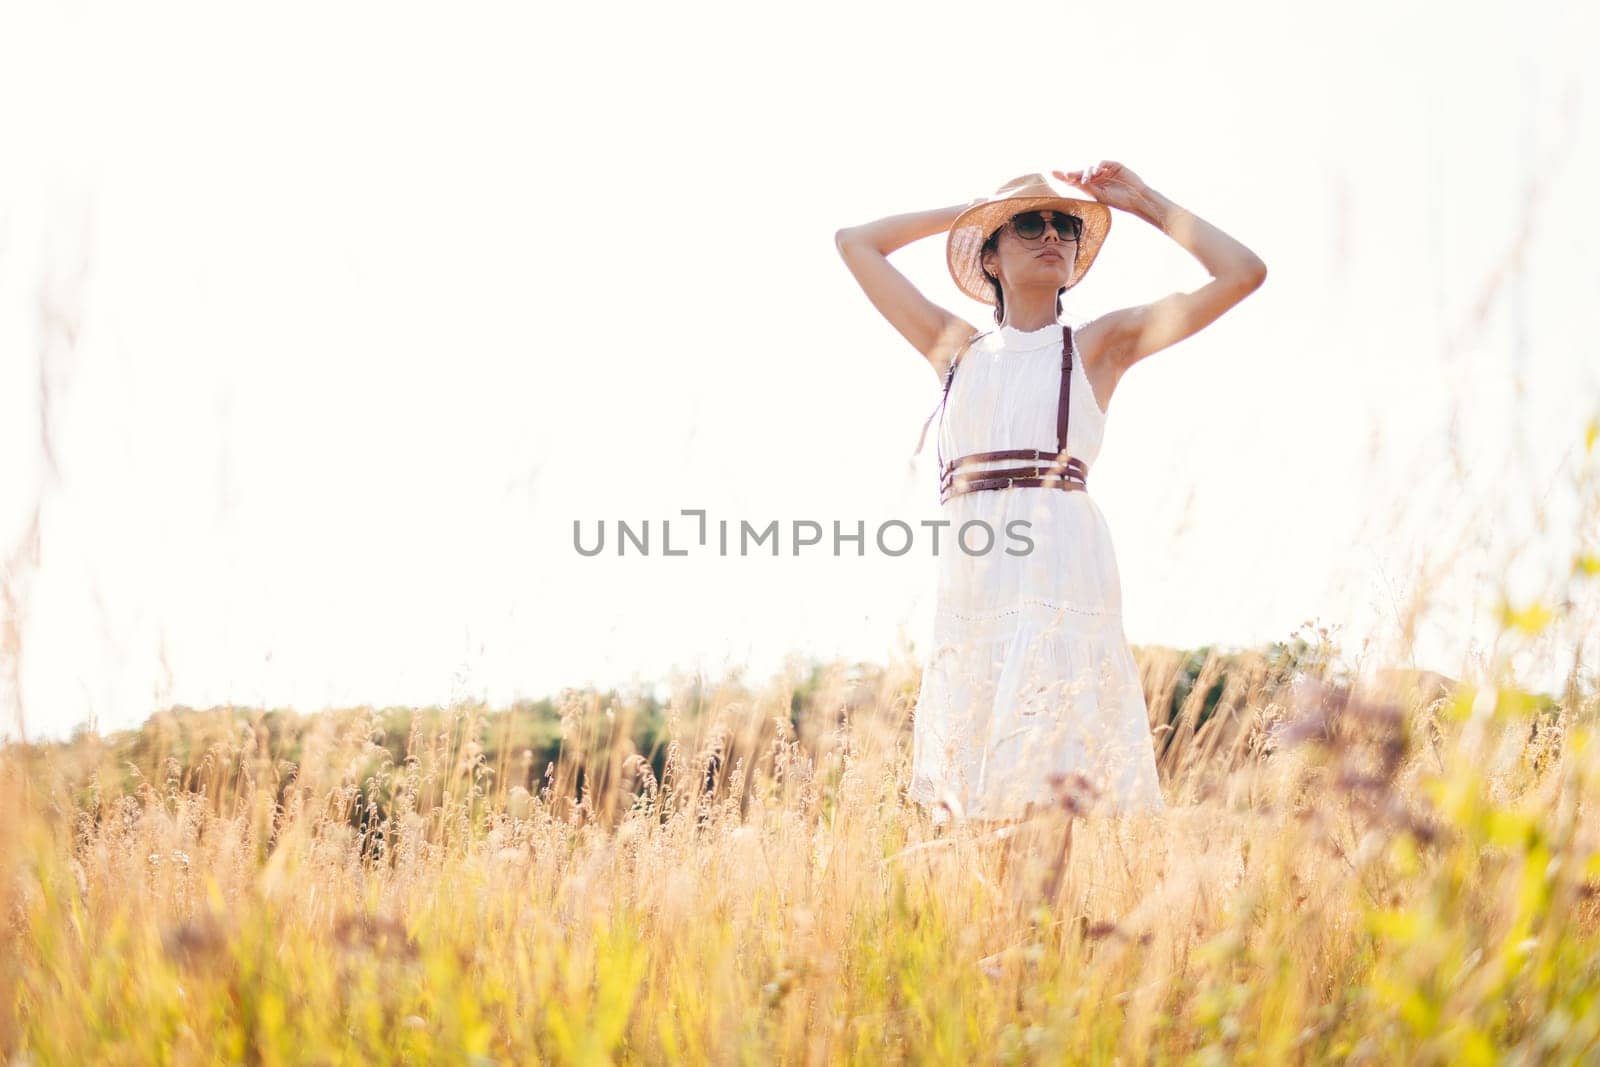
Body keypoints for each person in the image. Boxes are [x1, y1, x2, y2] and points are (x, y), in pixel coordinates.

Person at [834, 164, 1267, 896]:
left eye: (1064, 225)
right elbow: (856, 243)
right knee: (978, 797)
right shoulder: (955, 349)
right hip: (975, 583)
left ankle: (1035, 948)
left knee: (1041, 785)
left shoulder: (1097, 345)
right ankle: (1008, 960)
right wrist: (974, 210)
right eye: (1028, 224)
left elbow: (1243, 272)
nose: (1053, 236)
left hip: (1059, 572)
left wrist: (1148, 204)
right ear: (991, 257)